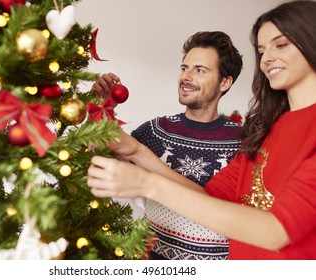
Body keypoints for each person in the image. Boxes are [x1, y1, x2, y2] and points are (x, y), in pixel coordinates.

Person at [87, 0, 316, 260]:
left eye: (281, 44)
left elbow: (276, 231)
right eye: (262, 51)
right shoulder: (263, 131)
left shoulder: (244, 135)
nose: (267, 59)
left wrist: (148, 184)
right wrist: (136, 150)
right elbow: (209, 196)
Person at [91, 31, 243, 260]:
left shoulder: (242, 142)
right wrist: (97, 110)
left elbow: (231, 212)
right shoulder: (154, 130)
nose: (186, 77)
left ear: (225, 81)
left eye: (199, 70)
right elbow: (99, 163)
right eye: (184, 68)